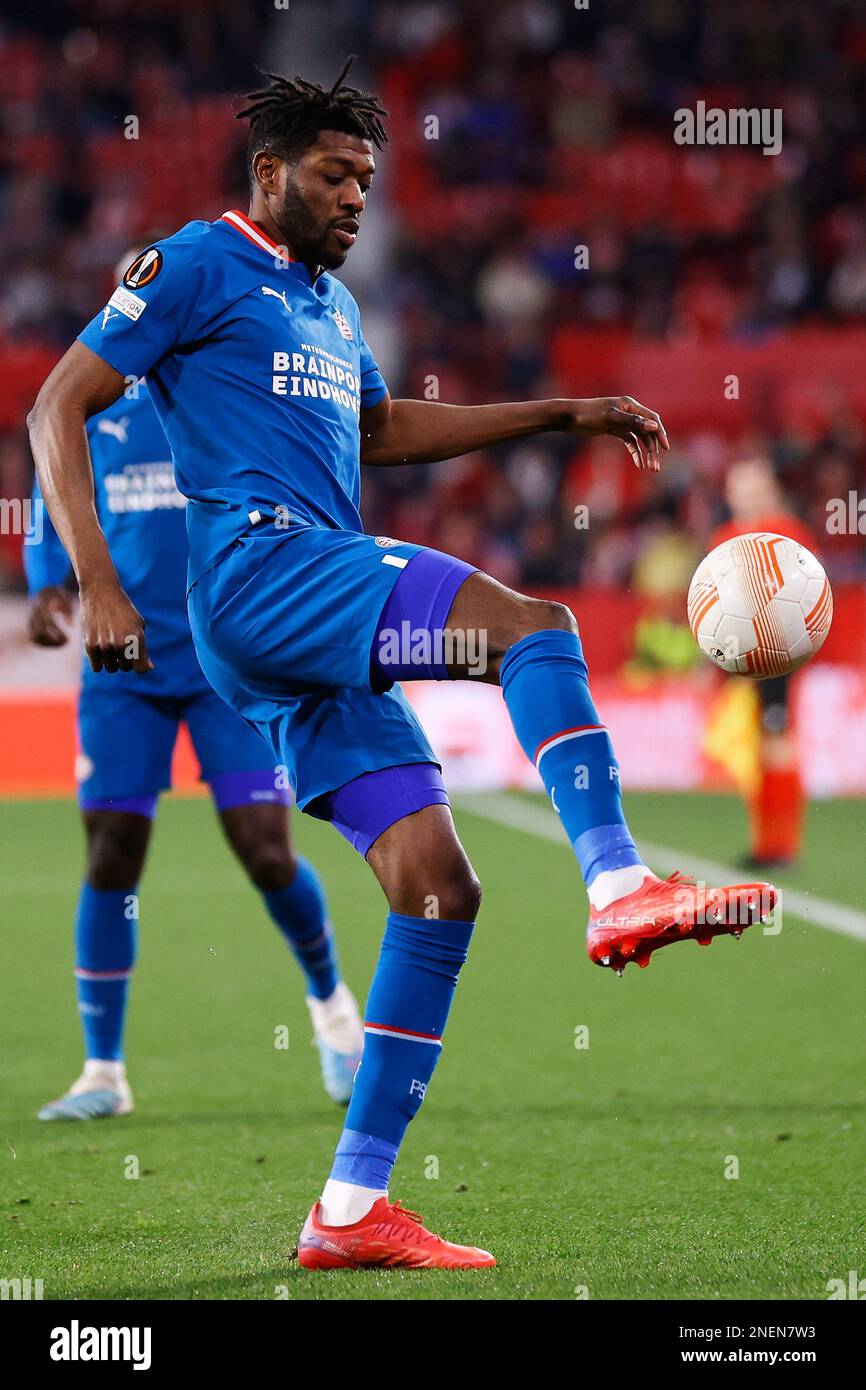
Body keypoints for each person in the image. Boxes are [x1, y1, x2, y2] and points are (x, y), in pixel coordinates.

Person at [27, 62, 774, 1268]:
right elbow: (56, 405)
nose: (356, 198)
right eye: (333, 176)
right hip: (265, 575)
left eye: (367, 179)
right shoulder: (194, 265)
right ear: (268, 173)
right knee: (531, 627)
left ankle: (346, 1209)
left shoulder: (330, 306)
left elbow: (380, 432)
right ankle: (617, 882)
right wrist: (99, 579)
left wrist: (560, 411)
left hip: (294, 623)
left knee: (437, 887)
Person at [25, 257, 363, 1119]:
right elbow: (48, 491)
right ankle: (103, 1072)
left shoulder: (210, 389)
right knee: (110, 854)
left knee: (264, 847)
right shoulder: (96, 407)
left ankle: (332, 1012)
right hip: (123, 670)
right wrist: (49, 584)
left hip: (226, 662)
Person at [708, 457, 819, 867]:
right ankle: (765, 842)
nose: (745, 494)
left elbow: (813, 595)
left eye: (753, 485)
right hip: (740, 660)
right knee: (753, 749)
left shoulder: (787, 534)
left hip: (780, 656)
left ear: (769, 489)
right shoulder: (724, 537)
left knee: (778, 743)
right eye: (738, 486)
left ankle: (782, 845)